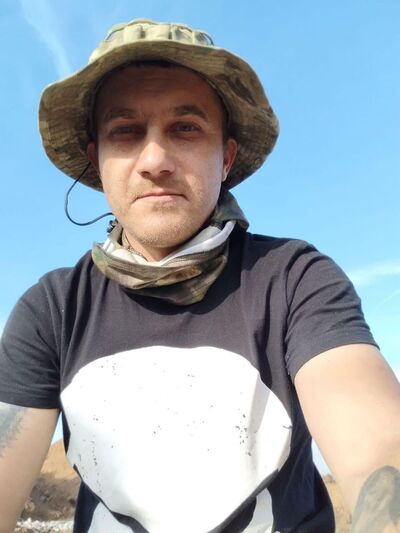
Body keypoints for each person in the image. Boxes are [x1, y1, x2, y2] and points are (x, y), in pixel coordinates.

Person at [0, 18, 399, 533]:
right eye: (126, 131)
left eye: (185, 128)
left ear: (225, 157)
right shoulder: (53, 309)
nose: (155, 160)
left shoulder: (295, 281)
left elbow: (378, 449)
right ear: (97, 162)